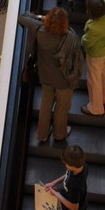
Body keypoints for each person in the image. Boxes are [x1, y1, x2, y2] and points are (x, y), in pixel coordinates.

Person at [19, 7, 84, 142]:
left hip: (45, 76)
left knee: (45, 104)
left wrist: (39, 18)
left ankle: (42, 135)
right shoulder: (70, 38)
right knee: (62, 106)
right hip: (64, 80)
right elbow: (78, 59)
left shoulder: (39, 30)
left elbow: (22, 17)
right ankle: (59, 134)